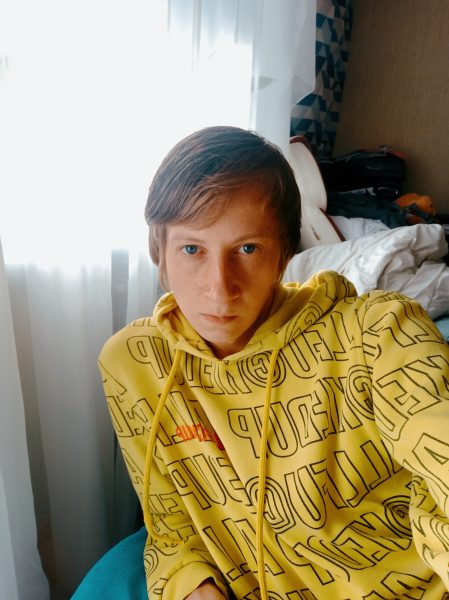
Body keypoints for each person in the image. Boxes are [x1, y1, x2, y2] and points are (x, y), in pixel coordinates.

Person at [97, 125, 449, 599]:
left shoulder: (379, 333)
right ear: (159, 254)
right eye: (192, 249)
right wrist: (191, 584)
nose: (219, 288)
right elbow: (170, 523)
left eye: (247, 249)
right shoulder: (134, 364)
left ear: (284, 253)